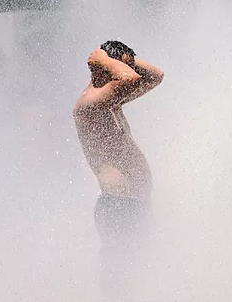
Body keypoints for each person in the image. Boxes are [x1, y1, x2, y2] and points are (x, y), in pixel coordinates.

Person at [73, 40, 164, 301]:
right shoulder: (90, 102)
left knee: (141, 277)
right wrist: (103, 60)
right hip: (118, 205)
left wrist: (123, 60)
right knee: (121, 284)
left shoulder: (110, 100)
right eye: (118, 67)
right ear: (102, 69)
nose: (126, 71)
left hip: (133, 204)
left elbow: (156, 76)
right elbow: (132, 79)